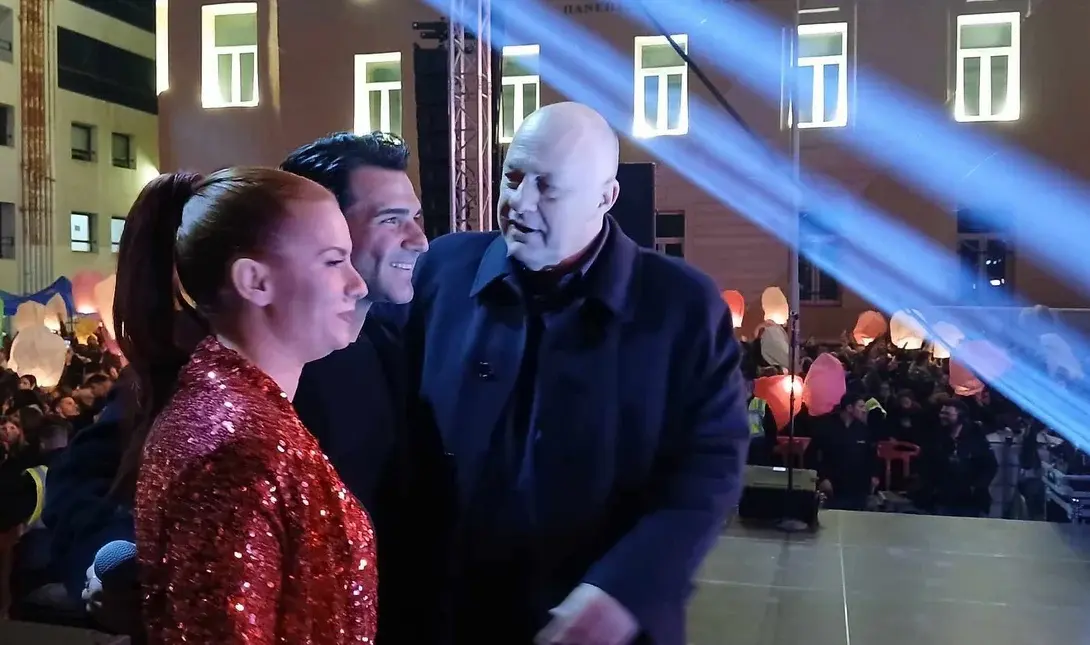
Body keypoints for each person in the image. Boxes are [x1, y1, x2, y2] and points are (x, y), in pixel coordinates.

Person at [44, 132, 431, 642]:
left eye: (416, 217)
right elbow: (87, 478)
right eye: (390, 219)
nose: (418, 239)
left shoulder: (389, 343)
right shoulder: (210, 379)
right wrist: (126, 570)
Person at [403, 102, 750, 645]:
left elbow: (710, 469)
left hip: (600, 623)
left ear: (605, 198)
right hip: (451, 614)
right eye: (513, 177)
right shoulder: (444, 272)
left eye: (548, 188)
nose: (520, 202)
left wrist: (625, 588)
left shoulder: (680, 307)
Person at [114, 168, 374, 643]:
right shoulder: (238, 451)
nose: (357, 284)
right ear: (254, 281)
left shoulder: (234, 413)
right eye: (334, 261)